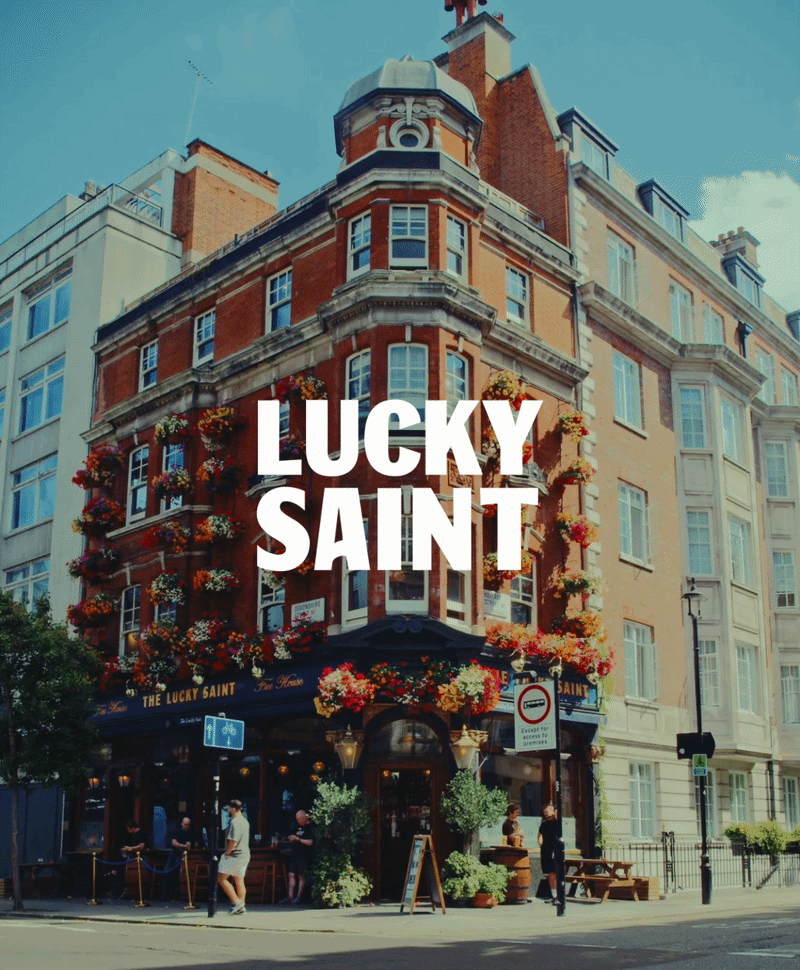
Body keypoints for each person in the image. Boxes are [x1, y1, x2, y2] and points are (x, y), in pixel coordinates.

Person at [217, 799, 250, 915]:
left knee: (221, 878)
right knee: (239, 880)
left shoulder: (234, 822)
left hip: (234, 855)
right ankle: (242, 906)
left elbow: (233, 841)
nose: (228, 810)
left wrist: (227, 853)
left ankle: (236, 902)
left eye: (229, 808)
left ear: (234, 809)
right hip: (245, 854)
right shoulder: (245, 822)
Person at [160, 816, 201, 902]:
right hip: (175, 853)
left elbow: (195, 844)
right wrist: (182, 845)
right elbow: (174, 842)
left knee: (179, 873)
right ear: (182, 823)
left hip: (185, 855)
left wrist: (195, 845)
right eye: (185, 824)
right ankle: (166, 895)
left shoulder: (192, 832)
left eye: (188, 824)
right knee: (168, 871)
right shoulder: (177, 831)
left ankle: (177, 894)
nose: (187, 826)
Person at [282, 809, 315, 904]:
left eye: (299, 819)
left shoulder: (310, 828)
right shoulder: (296, 826)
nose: (298, 821)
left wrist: (298, 839)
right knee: (291, 875)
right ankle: (290, 897)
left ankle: (298, 897)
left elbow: (310, 842)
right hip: (294, 853)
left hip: (304, 854)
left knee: (301, 875)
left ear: (304, 818)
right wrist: (291, 839)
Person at [115, 819, 149, 899]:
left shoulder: (141, 834)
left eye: (129, 829)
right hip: (133, 856)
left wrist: (130, 848)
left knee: (122, 867)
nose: (128, 831)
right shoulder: (134, 835)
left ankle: (126, 890)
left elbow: (141, 846)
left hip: (140, 857)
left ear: (133, 827)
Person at [538, 803, 560, 904]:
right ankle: (554, 896)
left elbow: (558, 816)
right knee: (550, 873)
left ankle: (559, 895)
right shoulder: (544, 823)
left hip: (556, 849)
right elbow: (540, 834)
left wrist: (555, 813)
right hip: (546, 849)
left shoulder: (557, 821)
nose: (545, 814)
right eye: (544, 812)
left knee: (556, 873)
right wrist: (540, 842)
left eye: (547, 812)